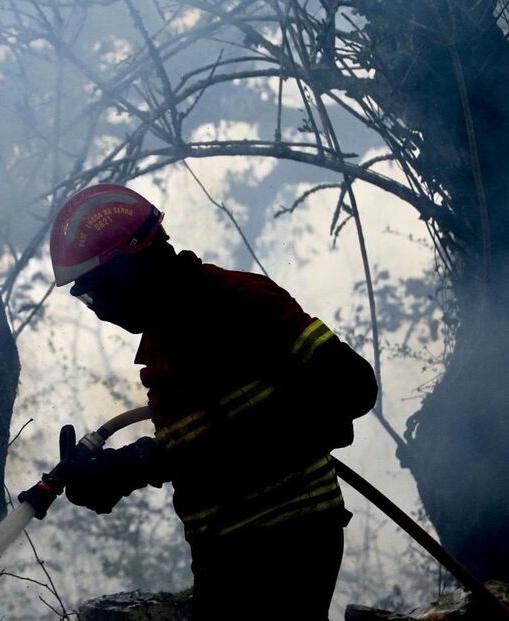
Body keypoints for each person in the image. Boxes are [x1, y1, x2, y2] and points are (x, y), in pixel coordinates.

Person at [46, 183, 377, 620]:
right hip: (224, 550)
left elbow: (354, 386)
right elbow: (197, 448)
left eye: (95, 292)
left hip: (291, 536)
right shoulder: (163, 347)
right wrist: (116, 475)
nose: (99, 310)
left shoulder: (240, 301)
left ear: (131, 266)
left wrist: (141, 461)